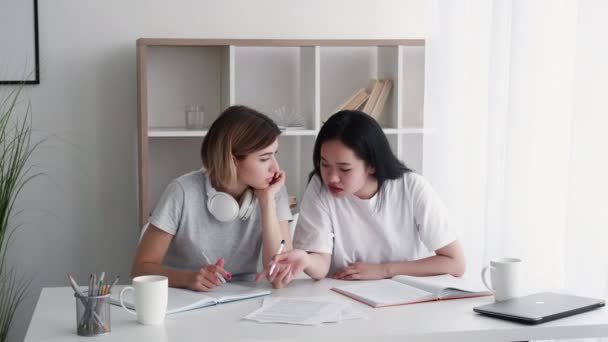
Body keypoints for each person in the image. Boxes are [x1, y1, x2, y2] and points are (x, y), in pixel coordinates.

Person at [259, 110, 465, 288]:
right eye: (324, 164)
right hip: (341, 297)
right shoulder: (319, 186)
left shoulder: (411, 187)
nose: (331, 177)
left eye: (344, 168)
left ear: (372, 165)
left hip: (402, 296)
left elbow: (455, 262)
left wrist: (384, 270)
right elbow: (321, 266)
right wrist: (305, 259)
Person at [132, 105, 293, 291]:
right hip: (184, 298)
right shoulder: (182, 192)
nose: (275, 167)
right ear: (231, 160)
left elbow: (278, 278)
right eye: (264, 159)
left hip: (243, 299)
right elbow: (140, 269)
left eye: (275, 155)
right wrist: (188, 278)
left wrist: (267, 203)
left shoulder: (273, 190)